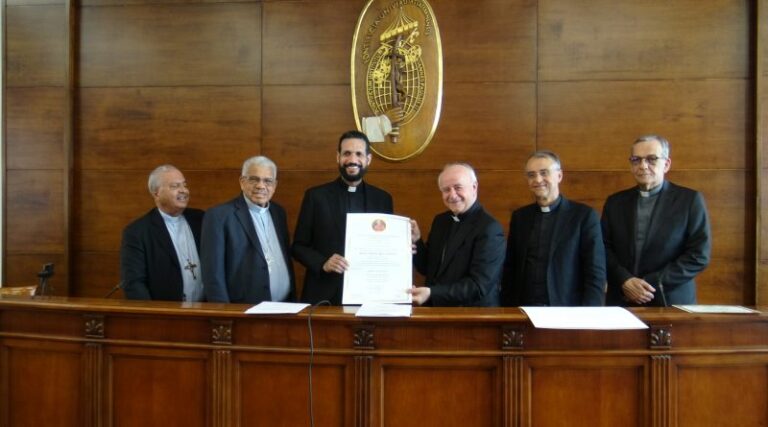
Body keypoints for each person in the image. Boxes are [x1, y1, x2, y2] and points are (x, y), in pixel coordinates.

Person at [602, 135, 711, 306]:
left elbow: (698, 256)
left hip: (669, 300)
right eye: (636, 160)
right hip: (622, 299)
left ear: (666, 164)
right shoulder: (615, 202)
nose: (643, 166)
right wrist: (625, 280)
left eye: (651, 159)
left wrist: (650, 283)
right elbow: (603, 248)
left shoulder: (689, 200)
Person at [292, 130, 393, 305]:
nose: (352, 160)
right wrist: (323, 262)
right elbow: (298, 247)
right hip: (323, 294)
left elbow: (388, 247)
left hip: (370, 295)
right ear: (338, 157)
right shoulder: (316, 196)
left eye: (359, 154)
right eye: (347, 153)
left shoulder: (383, 199)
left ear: (368, 159)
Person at [501, 151, 605, 306]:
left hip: (567, 310)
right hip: (524, 309)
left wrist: (589, 315)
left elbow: (595, 272)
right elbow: (510, 268)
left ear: (559, 176)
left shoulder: (583, 216)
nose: (537, 180)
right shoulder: (520, 217)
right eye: (531, 175)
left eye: (544, 173)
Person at [201, 156, 295, 303]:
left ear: (275, 185)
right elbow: (212, 275)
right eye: (254, 179)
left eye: (267, 181)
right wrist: (223, 315)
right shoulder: (219, 216)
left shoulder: (278, 212)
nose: (260, 186)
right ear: (242, 182)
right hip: (243, 311)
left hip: (284, 307)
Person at [410, 163, 505, 306]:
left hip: (471, 318)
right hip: (436, 313)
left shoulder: (490, 228)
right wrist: (417, 241)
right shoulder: (440, 221)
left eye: (458, 187)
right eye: (446, 190)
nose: (452, 195)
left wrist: (432, 293)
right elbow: (427, 268)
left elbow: (478, 286)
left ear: (474, 187)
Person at [120, 165, 205, 301]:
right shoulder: (138, 232)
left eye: (184, 185)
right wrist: (153, 317)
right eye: (175, 186)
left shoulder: (202, 220)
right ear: (156, 193)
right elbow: (134, 283)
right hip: (167, 315)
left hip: (206, 311)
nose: (183, 191)